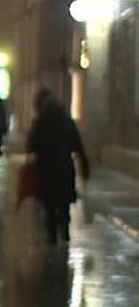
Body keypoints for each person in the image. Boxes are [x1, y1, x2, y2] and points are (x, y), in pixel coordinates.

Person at [25, 88, 91, 244]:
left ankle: (52, 234)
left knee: (49, 203)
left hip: (46, 169)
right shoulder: (67, 122)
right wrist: (84, 166)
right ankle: (64, 227)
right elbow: (78, 146)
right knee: (63, 201)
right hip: (64, 167)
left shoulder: (41, 123)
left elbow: (31, 145)